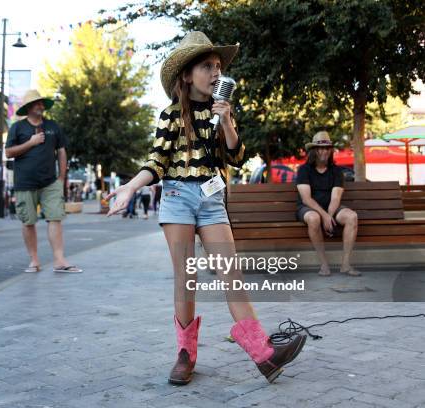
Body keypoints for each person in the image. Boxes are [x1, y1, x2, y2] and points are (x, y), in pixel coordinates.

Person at [107, 32, 306, 385]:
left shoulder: (222, 110)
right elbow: (157, 161)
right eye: (206, 66)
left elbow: (236, 156)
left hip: (212, 200)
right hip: (178, 198)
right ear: (186, 75)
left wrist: (227, 120)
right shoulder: (171, 114)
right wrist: (129, 187)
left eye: (217, 66)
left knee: (232, 275)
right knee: (187, 280)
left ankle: (263, 354)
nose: (215, 73)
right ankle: (185, 355)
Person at [6, 89, 82, 273]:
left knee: (55, 218)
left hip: (50, 183)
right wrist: (30, 143)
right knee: (28, 221)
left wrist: (62, 177)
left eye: (41, 103)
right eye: (37, 103)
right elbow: (8, 152)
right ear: (29, 107)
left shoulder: (53, 126)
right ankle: (34, 260)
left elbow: (61, 151)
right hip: (25, 182)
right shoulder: (17, 127)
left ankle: (59, 260)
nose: (41, 106)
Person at [296, 131, 360, 276]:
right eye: (320, 148)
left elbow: (336, 198)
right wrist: (324, 216)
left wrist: (329, 216)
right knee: (314, 218)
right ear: (314, 150)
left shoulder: (336, 171)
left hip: (331, 207)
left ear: (330, 150)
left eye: (327, 148)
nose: (324, 151)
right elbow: (306, 199)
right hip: (307, 208)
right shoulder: (304, 170)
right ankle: (324, 264)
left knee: (352, 217)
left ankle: (345, 264)